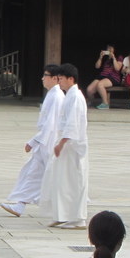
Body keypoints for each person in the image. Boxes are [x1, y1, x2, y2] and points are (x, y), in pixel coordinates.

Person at [1, 64, 63, 217]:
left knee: (47, 176)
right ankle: (20, 205)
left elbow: (50, 124)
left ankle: (64, 205)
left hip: (48, 142)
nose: (43, 78)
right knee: (33, 174)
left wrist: (33, 141)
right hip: (45, 141)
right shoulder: (52, 94)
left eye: (46, 75)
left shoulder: (56, 96)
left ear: (54, 78)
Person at [40, 63, 89, 229]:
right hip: (66, 146)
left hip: (73, 146)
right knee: (61, 182)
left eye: (61, 79)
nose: (59, 82)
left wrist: (62, 142)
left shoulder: (75, 97)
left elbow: (72, 124)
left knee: (74, 181)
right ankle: (62, 215)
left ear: (71, 79)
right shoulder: (69, 96)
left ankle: (78, 218)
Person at [85, 44, 123, 110]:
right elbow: (97, 66)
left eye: (111, 48)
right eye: (108, 49)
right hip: (102, 76)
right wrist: (100, 57)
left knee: (100, 85)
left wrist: (113, 58)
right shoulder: (105, 57)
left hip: (113, 77)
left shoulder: (119, 57)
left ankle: (105, 103)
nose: (109, 50)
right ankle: (91, 102)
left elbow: (117, 68)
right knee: (89, 90)